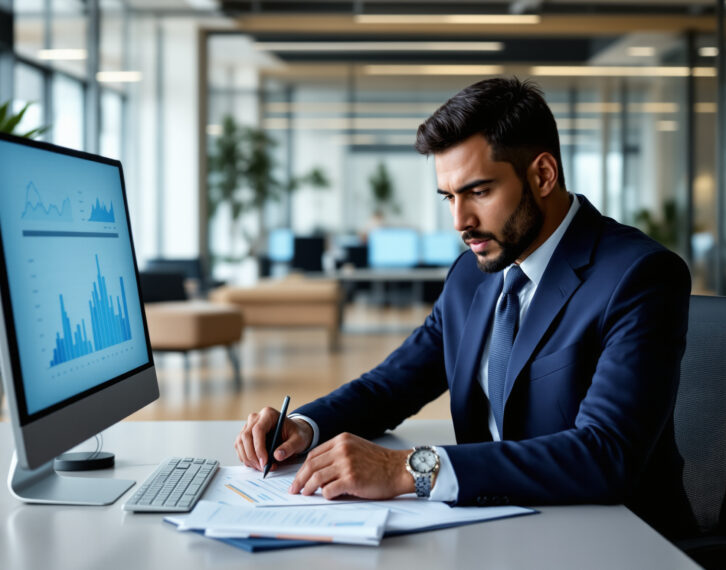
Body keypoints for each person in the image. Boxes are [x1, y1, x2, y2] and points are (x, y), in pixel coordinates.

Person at [235, 77, 695, 538]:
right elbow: (391, 386)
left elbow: (605, 454)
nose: (460, 221)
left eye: (479, 192)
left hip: (613, 540)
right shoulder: (471, 274)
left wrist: (410, 469)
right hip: (494, 526)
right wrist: (304, 426)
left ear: (543, 175)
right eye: (449, 197)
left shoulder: (639, 276)